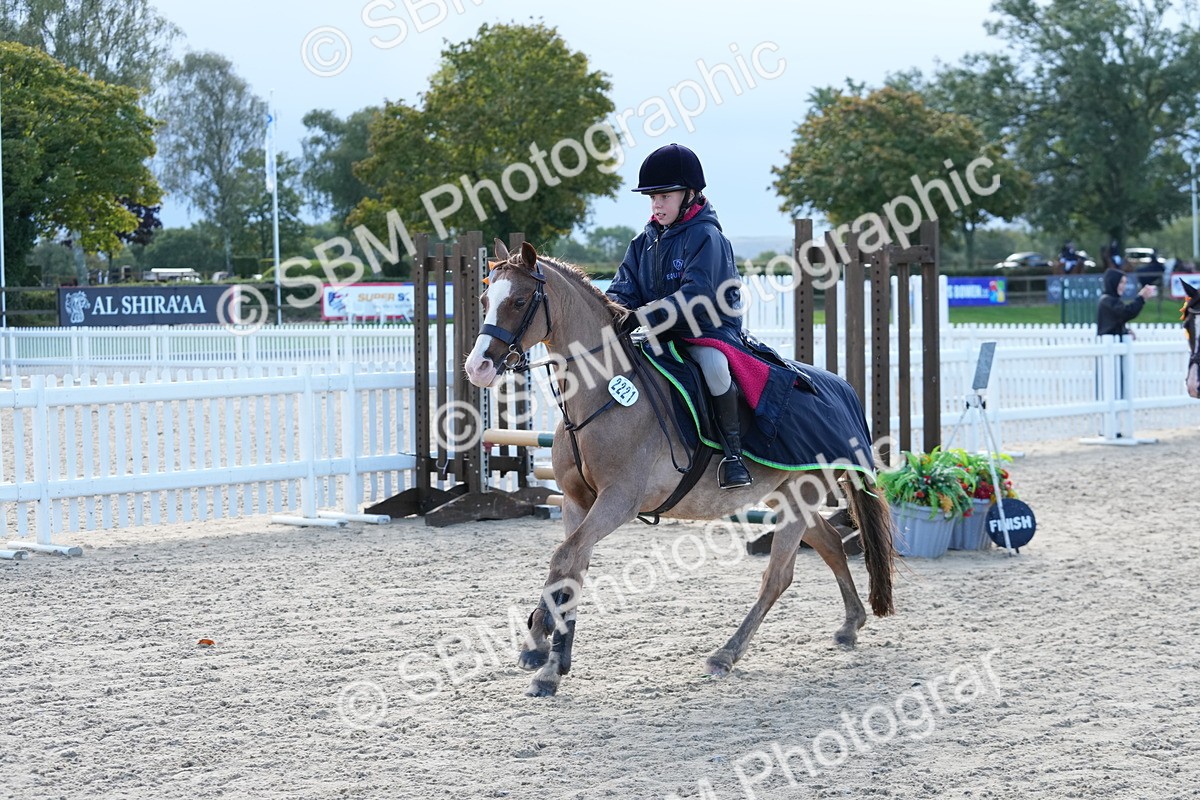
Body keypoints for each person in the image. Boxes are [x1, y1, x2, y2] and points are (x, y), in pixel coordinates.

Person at [606, 143, 752, 489]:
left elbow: (698, 296)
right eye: (652, 198)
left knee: (716, 369)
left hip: (706, 330)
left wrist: (643, 316)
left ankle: (734, 456)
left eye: (664, 196)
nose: (656, 205)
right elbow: (623, 289)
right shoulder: (643, 242)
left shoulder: (707, 236)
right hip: (660, 331)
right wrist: (613, 311)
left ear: (690, 194)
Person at [1097, 267, 1154, 338]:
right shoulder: (1108, 300)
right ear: (1113, 282)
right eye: (1121, 282)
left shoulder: (1110, 300)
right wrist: (1141, 298)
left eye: (1125, 283)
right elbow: (1127, 312)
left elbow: (1116, 322)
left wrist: (1125, 331)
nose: (1123, 286)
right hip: (1109, 343)